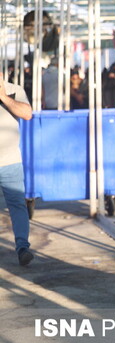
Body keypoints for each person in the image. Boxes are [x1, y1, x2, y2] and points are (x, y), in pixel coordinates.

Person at [0, 72, 34, 265]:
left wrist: (4, 97)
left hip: (10, 162)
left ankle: (23, 248)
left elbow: (27, 114)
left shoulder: (14, 90)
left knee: (17, 206)